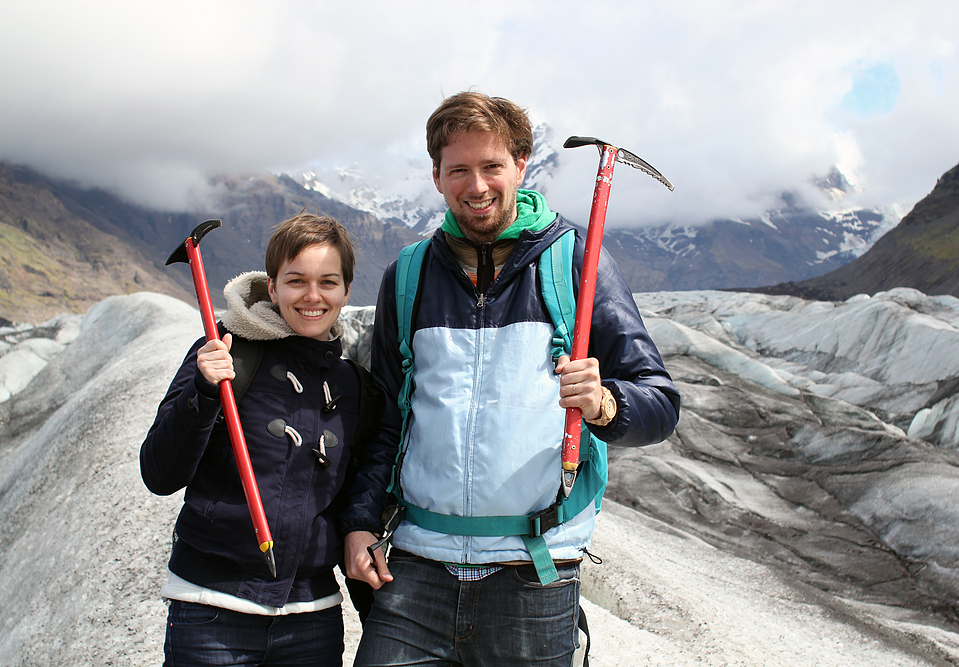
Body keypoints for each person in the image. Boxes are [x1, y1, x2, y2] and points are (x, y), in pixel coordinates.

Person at [339, 91, 682, 666]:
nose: (476, 186)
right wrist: (359, 523)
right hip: (416, 568)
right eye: (459, 170)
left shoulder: (573, 261)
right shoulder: (409, 274)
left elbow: (659, 403)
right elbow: (387, 420)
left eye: (492, 166)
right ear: (436, 175)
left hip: (534, 572)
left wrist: (604, 405)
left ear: (521, 165)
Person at [140, 212, 380, 667]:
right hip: (212, 614)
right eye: (296, 281)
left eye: (328, 282)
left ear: (347, 291)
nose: (313, 296)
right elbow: (159, 473)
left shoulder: (355, 387)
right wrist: (204, 392)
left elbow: (359, 487)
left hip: (312, 621)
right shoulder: (225, 353)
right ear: (271, 287)